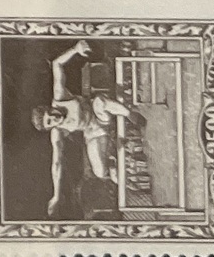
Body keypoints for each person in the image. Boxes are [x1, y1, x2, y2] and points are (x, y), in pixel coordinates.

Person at [33, 37, 137, 218]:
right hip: (95, 132)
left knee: (99, 102)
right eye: (51, 122)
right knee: (100, 172)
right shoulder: (57, 132)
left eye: (51, 114)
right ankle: (114, 162)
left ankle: (130, 115)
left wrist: (75, 49)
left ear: (50, 108)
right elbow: (56, 164)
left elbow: (57, 64)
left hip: (100, 113)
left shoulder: (60, 98)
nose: (55, 118)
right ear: (50, 127)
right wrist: (56, 195)